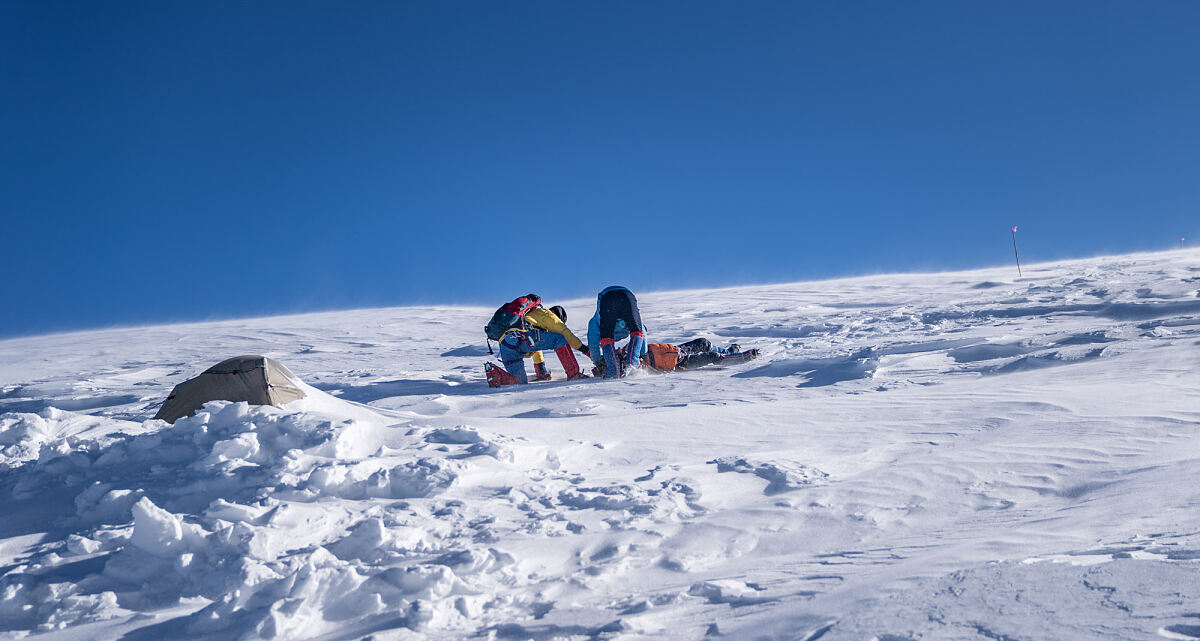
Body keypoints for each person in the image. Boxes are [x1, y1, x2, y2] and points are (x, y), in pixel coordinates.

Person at [489, 304, 590, 387]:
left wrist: (542, 373)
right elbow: (565, 333)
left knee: (519, 382)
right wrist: (587, 351)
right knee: (559, 338)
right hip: (520, 338)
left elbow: (536, 347)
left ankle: (498, 375)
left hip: (505, 346)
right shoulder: (547, 314)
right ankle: (574, 374)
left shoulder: (530, 319)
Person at [586, 286, 647, 379]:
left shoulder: (594, 323)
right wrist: (643, 355)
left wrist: (599, 362)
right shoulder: (595, 323)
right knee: (637, 332)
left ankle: (613, 371)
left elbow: (593, 344)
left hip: (607, 299)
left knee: (606, 338)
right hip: (627, 297)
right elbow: (641, 333)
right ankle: (632, 366)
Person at [637, 338, 759, 373]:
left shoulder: (632, 347)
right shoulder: (635, 365)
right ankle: (743, 358)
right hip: (680, 363)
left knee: (703, 342)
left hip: (677, 351)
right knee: (713, 356)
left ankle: (728, 352)